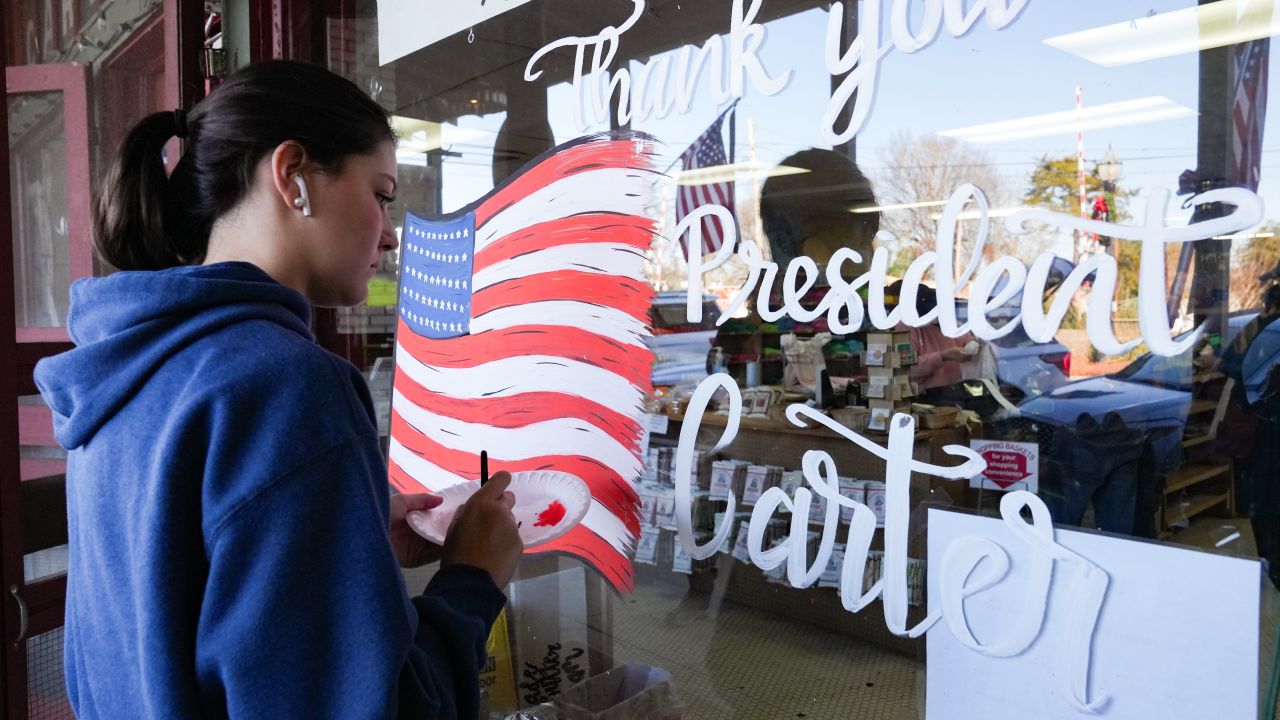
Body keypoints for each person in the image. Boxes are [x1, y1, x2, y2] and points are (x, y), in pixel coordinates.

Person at [33, 60, 523, 718]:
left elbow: (178, 595)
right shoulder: (288, 386)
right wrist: (472, 579)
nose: (392, 232)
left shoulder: (127, 369)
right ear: (293, 176)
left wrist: (358, 530)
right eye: (381, 194)